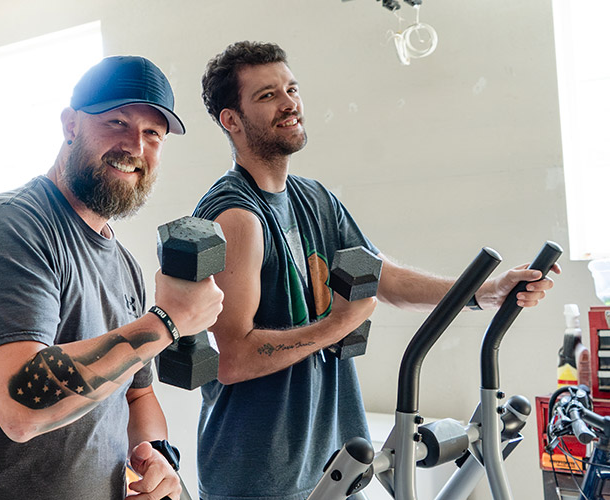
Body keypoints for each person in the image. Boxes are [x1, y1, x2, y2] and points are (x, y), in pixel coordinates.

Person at [192, 41, 560, 500]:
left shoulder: (315, 199)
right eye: (267, 96)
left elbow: (384, 278)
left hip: (336, 464)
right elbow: (233, 359)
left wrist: (485, 292)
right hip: (259, 477)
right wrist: (338, 325)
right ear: (231, 120)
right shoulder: (236, 217)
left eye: (292, 89)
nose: (290, 104)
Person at [0, 55, 223, 500]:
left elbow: (136, 397)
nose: (134, 146)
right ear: (70, 125)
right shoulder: (8, 228)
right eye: (117, 121)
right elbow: (22, 405)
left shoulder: (124, 266)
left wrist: (155, 457)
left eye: (152, 133)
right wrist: (166, 322)